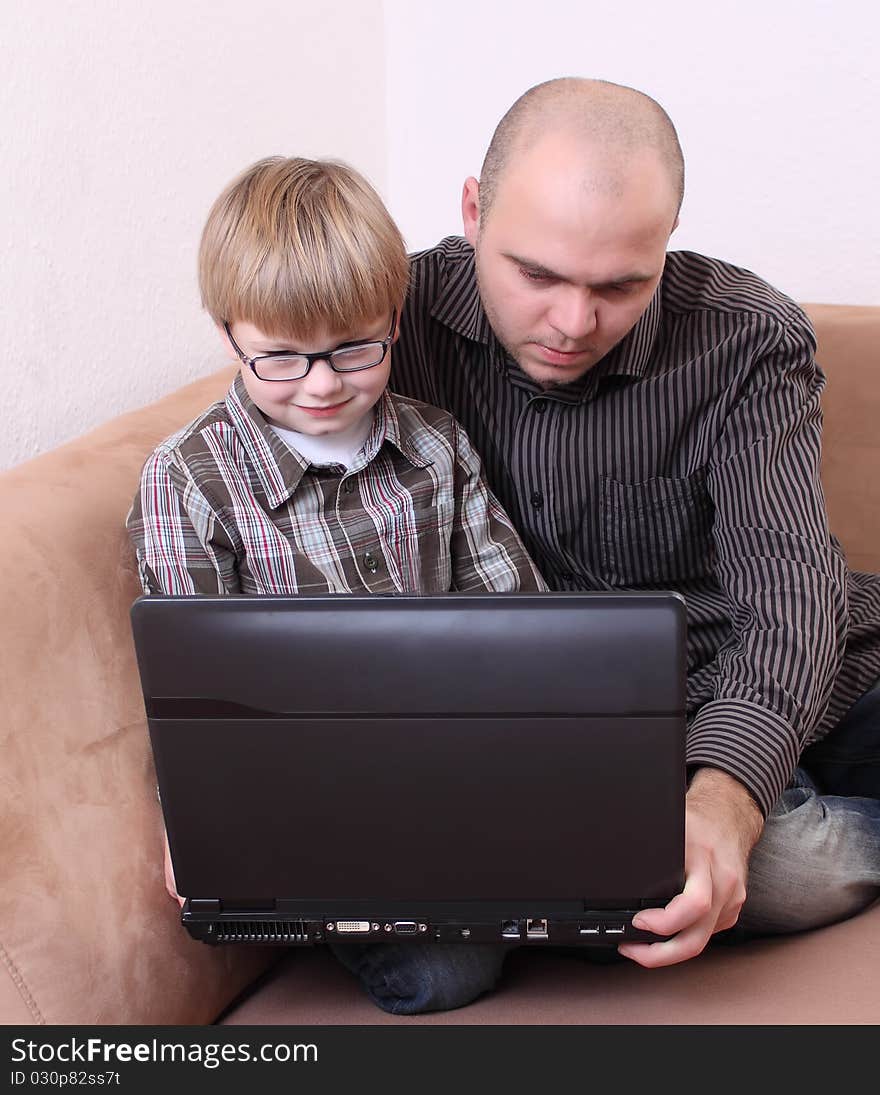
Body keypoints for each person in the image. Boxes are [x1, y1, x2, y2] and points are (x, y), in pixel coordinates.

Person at [390, 77, 880, 978]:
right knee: (790, 872)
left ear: (667, 244)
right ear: (472, 210)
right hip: (569, 741)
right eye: (535, 274)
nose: (573, 324)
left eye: (620, 285)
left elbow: (792, 599)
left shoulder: (745, 339)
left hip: (774, 682)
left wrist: (728, 795)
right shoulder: (388, 324)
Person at [126, 155, 546, 1014]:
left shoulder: (436, 445)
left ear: (393, 320)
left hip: (458, 771)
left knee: (621, 881)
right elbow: (198, 698)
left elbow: (521, 619)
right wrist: (195, 814)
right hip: (312, 806)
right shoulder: (187, 480)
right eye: (279, 358)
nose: (322, 384)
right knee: (442, 975)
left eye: (354, 348)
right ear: (228, 335)